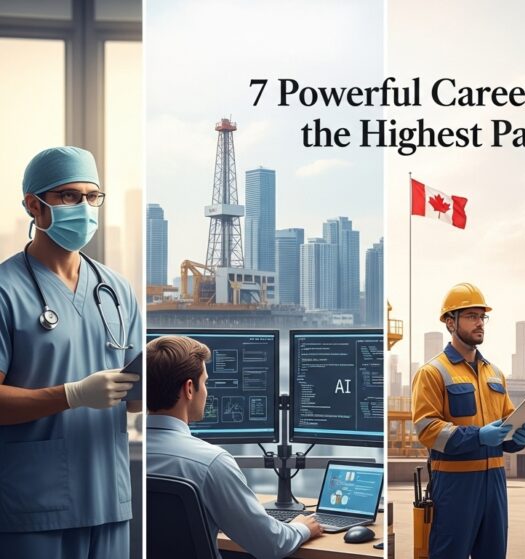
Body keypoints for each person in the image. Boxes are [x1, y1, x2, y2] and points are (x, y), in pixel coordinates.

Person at [0, 147, 141, 557]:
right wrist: (73, 395)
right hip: (33, 507)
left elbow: (133, 400)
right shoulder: (6, 291)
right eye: (68, 196)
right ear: (34, 205)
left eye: (92, 197)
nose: (84, 208)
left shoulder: (116, 291)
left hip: (108, 501)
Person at [146, 335, 323, 558]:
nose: (207, 391)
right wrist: (302, 527)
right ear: (189, 389)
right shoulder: (211, 463)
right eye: (205, 382)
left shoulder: (126, 457)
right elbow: (271, 545)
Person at [412, 282, 525, 559]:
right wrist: (478, 436)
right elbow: (427, 429)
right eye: (471, 316)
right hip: (455, 485)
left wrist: (517, 438)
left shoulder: (495, 373)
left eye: (482, 317)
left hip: (495, 483)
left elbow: (506, 421)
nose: (480, 323)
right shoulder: (432, 372)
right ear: (450, 322)